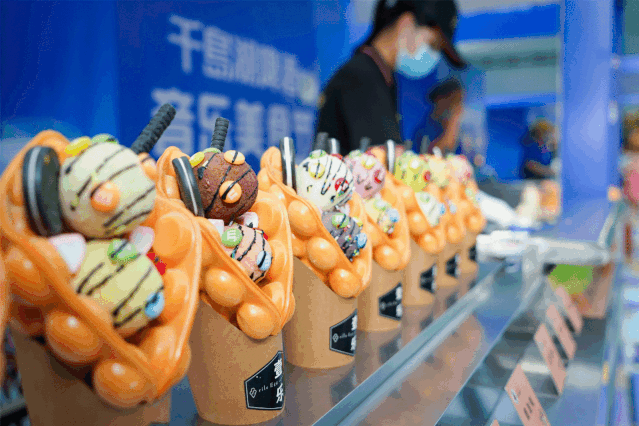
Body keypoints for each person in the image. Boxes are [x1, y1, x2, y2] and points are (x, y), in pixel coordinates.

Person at [316, 0, 466, 156]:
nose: (434, 56)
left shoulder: (381, 77)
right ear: (406, 23)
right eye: (433, 45)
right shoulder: (361, 78)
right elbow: (384, 161)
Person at [412, 77, 464, 155]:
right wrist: (454, 119)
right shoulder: (425, 129)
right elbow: (435, 155)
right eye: (455, 101)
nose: (458, 106)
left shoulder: (451, 128)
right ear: (440, 100)